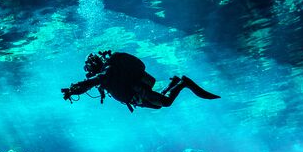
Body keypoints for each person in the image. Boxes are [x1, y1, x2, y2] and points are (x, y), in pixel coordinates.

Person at [61, 50, 220, 112]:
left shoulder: (107, 72)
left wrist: (72, 90)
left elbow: (91, 82)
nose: (89, 74)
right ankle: (174, 83)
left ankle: (182, 83)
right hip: (134, 97)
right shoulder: (106, 75)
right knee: (158, 106)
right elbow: (93, 83)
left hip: (136, 93)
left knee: (165, 103)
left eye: (89, 70)